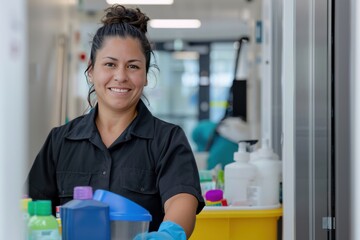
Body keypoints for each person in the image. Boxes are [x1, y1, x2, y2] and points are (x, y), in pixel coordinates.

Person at [27, 4, 205, 239]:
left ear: (145, 75)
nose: (121, 76)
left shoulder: (167, 140)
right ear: (91, 71)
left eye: (133, 66)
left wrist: (169, 234)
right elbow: (31, 207)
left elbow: (181, 200)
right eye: (110, 64)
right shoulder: (60, 141)